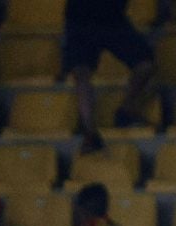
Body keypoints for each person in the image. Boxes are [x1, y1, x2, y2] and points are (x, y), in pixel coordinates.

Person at [62, 0, 156, 154]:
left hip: (112, 18)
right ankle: (89, 131)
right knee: (81, 73)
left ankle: (126, 110)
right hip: (80, 19)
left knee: (145, 64)